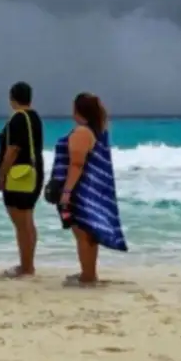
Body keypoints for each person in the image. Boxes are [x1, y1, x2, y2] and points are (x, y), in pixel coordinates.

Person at [52, 92, 127, 286]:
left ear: (78, 110)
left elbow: (76, 164)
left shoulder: (82, 133)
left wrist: (67, 192)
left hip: (81, 190)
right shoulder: (97, 131)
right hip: (91, 189)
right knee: (88, 233)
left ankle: (87, 277)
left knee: (82, 233)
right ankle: (89, 273)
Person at [0, 81, 44, 278]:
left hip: (18, 175)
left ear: (12, 98)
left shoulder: (17, 119)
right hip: (35, 172)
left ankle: (26, 267)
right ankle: (28, 264)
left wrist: (2, 174)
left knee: (21, 223)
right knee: (28, 220)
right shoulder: (35, 117)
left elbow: (13, 150)